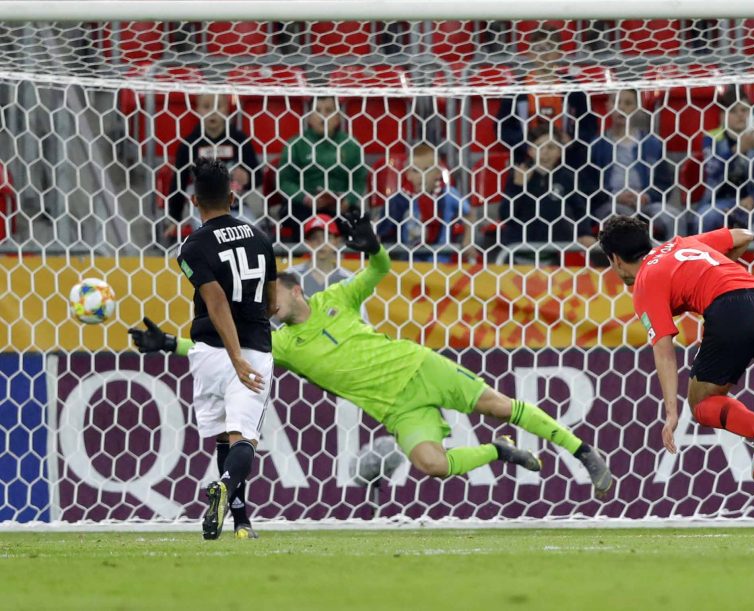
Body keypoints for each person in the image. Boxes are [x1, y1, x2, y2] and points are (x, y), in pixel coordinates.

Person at [131, 212, 614, 500]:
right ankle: (499, 451)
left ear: (295, 288)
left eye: (270, 294)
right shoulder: (279, 344)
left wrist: (374, 246)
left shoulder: (337, 297)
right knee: (430, 463)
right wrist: (169, 344)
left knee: (498, 406)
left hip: (418, 367)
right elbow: (220, 347)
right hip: (395, 408)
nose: (265, 303)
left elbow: (379, 270)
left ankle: (584, 454)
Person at [597, 215, 754, 536]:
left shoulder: (645, 282)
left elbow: (663, 348)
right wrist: (710, 268)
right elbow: (744, 236)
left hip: (728, 311)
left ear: (616, 260)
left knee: (701, 402)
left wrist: (671, 412)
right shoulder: (684, 244)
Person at [148, 158, 277, 540]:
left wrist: (228, 354)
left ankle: (239, 521)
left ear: (194, 200)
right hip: (250, 350)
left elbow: (214, 299)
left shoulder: (191, 247)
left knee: (224, 436)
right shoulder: (260, 238)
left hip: (207, 352)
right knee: (244, 439)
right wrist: (239, 356)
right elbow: (269, 301)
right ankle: (226, 489)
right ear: (232, 195)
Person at [580, 90, 681, 243]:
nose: (621, 107)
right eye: (616, 102)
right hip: (610, 203)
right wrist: (614, 196)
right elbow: (588, 185)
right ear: (608, 106)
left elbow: (664, 183)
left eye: (628, 103)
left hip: (646, 202)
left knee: (674, 216)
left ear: (637, 107)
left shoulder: (651, 143)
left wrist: (646, 196)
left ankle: (674, 260)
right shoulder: (596, 145)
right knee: (624, 218)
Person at [497, 27, 597, 169]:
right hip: (527, 159)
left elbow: (590, 124)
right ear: (529, 53)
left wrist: (574, 140)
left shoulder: (572, 87)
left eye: (549, 47)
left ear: (559, 53)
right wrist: (526, 144)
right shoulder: (517, 88)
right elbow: (502, 128)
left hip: (566, 161)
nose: (544, 54)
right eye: (538, 48)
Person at [166, 94, 262, 241]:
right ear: (197, 110)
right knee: (209, 237)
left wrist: (248, 177)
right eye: (206, 107)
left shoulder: (239, 140)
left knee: (253, 235)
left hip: (234, 205)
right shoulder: (189, 144)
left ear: (227, 110)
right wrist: (175, 219)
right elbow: (178, 183)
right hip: (201, 208)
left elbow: (258, 176)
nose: (212, 112)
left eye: (218, 106)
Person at [381, 144, 476, 263]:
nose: (422, 176)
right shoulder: (400, 199)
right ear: (408, 175)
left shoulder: (448, 194)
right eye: (415, 171)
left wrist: (468, 240)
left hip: (442, 263)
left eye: (427, 170)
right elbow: (383, 230)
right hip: (408, 265)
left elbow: (469, 213)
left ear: (438, 172)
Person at [278, 96, 366, 224]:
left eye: (329, 110)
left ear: (338, 117)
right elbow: (284, 182)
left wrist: (347, 201)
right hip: (303, 207)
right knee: (298, 218)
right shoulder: (296, 144)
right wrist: (306, 199)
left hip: (340, 208)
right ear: (308, 117)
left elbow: (359, 182)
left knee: (359, 224)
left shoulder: (351, 145)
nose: (323, 116)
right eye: (318, 110)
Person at [698, 91, 754, 232]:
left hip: (752, 202)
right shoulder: (712, 138)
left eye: (744, 110)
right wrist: (737, 150)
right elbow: (712, 172)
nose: (740, 115)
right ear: (723, 115)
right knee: (705, 217)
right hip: (719, 202)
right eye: (733, 111)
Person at [500, 128, 584, 253]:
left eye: (551, 147)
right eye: (539, 146)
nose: (544, 152)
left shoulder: (566, 177)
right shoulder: (518, 175)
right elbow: (505, 216)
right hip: (519, 247)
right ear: (531, 151)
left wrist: (584, 233)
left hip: (556, 248)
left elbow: (580, 210)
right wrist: (518, 186)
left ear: (560, 152)